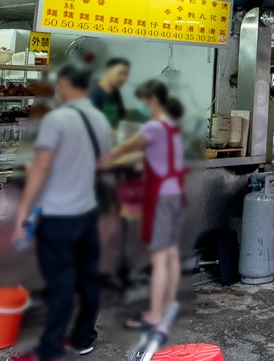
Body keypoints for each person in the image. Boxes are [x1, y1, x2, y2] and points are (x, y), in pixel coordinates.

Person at [13, 64, 111, 361]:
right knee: (89, 279)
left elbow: (40, 167)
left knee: (60, 281)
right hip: (88, 212)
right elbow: (103, 166)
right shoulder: (100, 120)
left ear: (67, 86)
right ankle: (83, 339)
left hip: (59, 216)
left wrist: (24, 213)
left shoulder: (57, 119)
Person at [109, 80, 187, 332]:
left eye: (143, 100)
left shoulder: (153, 127)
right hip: (175, 194)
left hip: (162, 198)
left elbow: (125, 147)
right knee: (172, 252)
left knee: (159, 256)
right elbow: (149, 155)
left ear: (152, 99)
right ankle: (168, 304)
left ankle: (154, 315)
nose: (142, 105)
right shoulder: (172, 127)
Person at [89, 57, 130, 129]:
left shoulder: (116, 92)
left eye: (126, 75)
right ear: (107, 72)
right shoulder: (92, 92)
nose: (123, 78)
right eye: (120, 73)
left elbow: (121, 117)